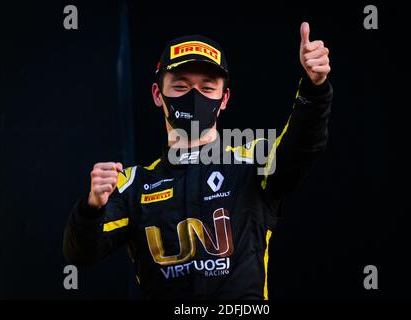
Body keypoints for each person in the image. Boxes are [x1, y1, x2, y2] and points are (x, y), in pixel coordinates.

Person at [63, 22, 332, 299]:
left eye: (207, 87)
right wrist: (91, 208)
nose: (194, 96)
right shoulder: (132, 185)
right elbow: (80, 253)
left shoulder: (252, 162)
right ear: (158, 94)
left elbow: (303, 146)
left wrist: (315, 88)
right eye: (180, 86)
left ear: (224, 98)